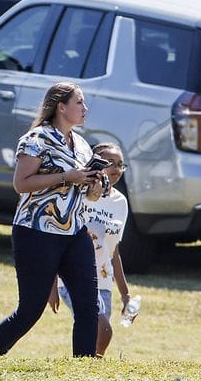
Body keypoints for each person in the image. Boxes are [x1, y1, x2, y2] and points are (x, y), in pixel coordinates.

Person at [0, 82, 106, 358]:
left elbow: (89, 195)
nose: (85, 108)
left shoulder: (82, 144)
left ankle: (83, 368)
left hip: (75, 232)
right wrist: (66, 177)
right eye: (79, 102)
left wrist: (95, 185)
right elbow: (21, 183)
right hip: (36, 231)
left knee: (88, 306)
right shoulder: (36, 138)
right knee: (31, 309)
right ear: (61, 107)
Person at [51, 142, 133, 357]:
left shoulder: (120, 202)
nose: (116, 169)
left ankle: (88, 366)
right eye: (110, 163)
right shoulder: (79, 194)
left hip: (103, 280)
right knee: (102, 327)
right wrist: (52, 285)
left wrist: (125, 295)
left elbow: (113, 251)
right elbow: (59, 240)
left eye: (120, 164)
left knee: (97, 335)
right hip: (74, 276)